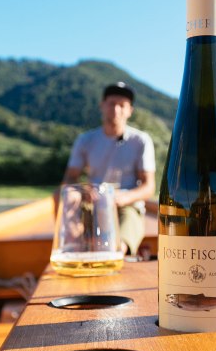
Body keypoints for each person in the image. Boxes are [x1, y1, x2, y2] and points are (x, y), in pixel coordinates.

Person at [59, 82, 156, 255]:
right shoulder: (85, 140)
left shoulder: (141, 140)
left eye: (122, 105)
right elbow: (70, 178)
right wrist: (82, 191)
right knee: (66, 195)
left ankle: (117, 252)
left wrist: (121, 198)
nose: (116, 109)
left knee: (119, 242)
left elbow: (148, 187)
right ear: (102, 106)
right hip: (92, 202)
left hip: (127, 204)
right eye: (112, 103)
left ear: (130, 111)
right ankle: (70, 245)